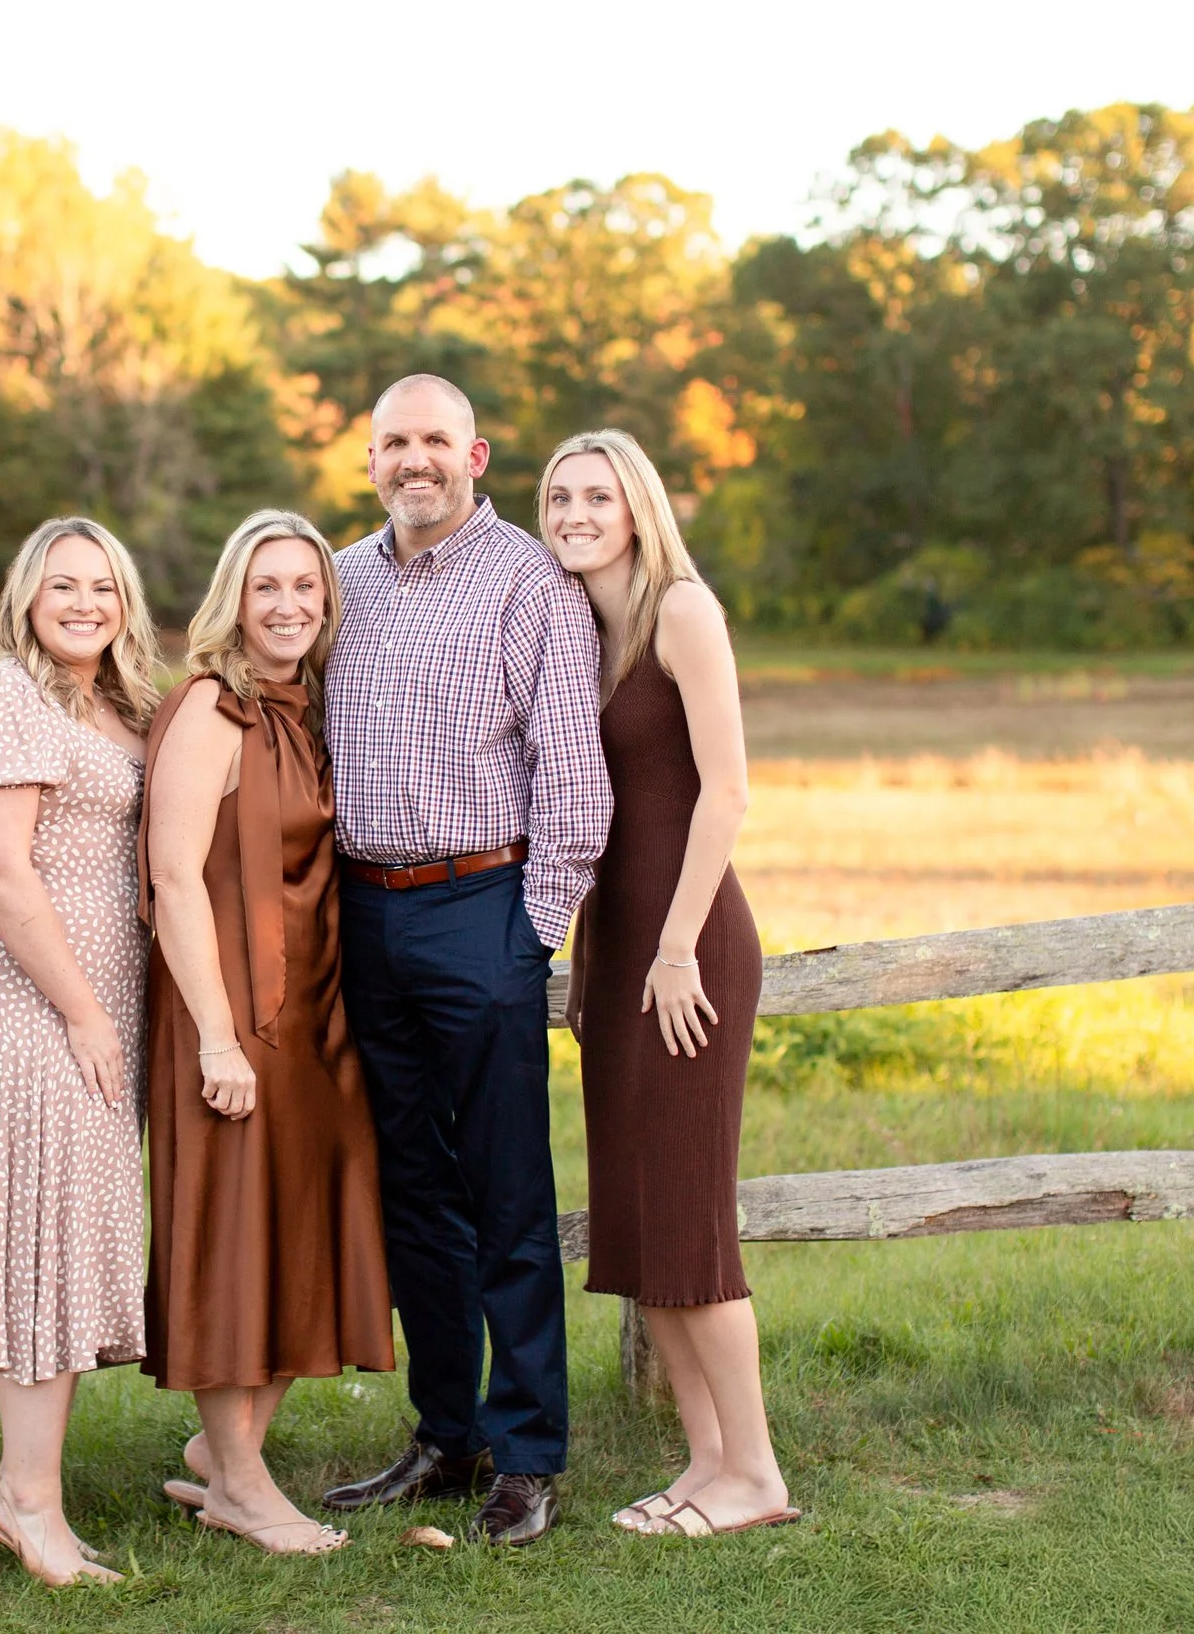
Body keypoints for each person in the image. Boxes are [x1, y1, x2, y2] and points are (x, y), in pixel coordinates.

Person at [318, 376, 612, 1547]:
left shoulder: (528, 582)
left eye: (434, 439)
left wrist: (527, 935)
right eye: (394, 442)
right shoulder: (338, 580)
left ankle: (529, 1451)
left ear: (475, 454)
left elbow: (574, 776)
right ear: (371, 458)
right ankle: (447, 1434)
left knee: (504, 1191)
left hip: (480, 904)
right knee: (413, 1193)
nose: (414, 460)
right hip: (364, 913)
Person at [538, 429, 799, 1538]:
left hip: (686, 948)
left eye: (598, 493)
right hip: (618, 948)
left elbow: (728, 791)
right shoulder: (579, 629)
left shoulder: (681, 610)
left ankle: (758, 1472)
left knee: (689, 1216)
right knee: (640, 1220)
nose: (576, 510)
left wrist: (679, 946)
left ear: (637, 508)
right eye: (559, 495)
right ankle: (703, 1461)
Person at [139, 510, 393, 1557]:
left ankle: (226, 1452)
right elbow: (170, 877)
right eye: (267, 586)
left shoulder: (314, 705)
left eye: (306, 585)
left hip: (317, 1013)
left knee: (310, 1217)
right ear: (232, 602)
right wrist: (213, 1037)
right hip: (227, 1006)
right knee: (230, 1227)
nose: (289, 604)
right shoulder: (211, 706)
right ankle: (241, 1480)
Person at [0, 516, 159, 1587]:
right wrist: (82, 1010)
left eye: (102, 586)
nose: (83, 603)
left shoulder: (119, 702)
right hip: (29, 1006)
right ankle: (25, 1500)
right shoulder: (7, 698)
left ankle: (33, 1490)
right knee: (39, 1248)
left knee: (69, 1247)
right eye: (62, 584)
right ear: (26, 595)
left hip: (97, 1007)